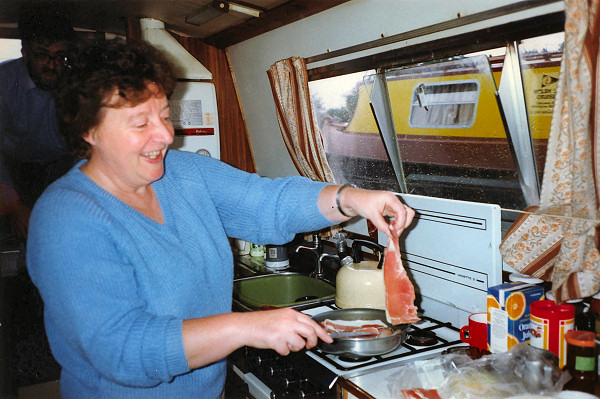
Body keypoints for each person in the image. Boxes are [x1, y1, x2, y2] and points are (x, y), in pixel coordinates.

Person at [26, 39, 415, 399]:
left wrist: (351, 198)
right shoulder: (66, 219)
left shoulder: (183, 173)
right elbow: (124, 351)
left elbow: (268, 203)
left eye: (164, 114)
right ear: (88, 129)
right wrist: (246, 327)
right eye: (141, 123)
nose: (164, 135)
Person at [0, 8, 75, 238]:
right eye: (42, 55)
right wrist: (13, 205)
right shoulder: (4, 82)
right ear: (25, 53)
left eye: (60, 57)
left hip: (64, 168)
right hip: (12, 170)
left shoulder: (78, 84)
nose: (52, 66)